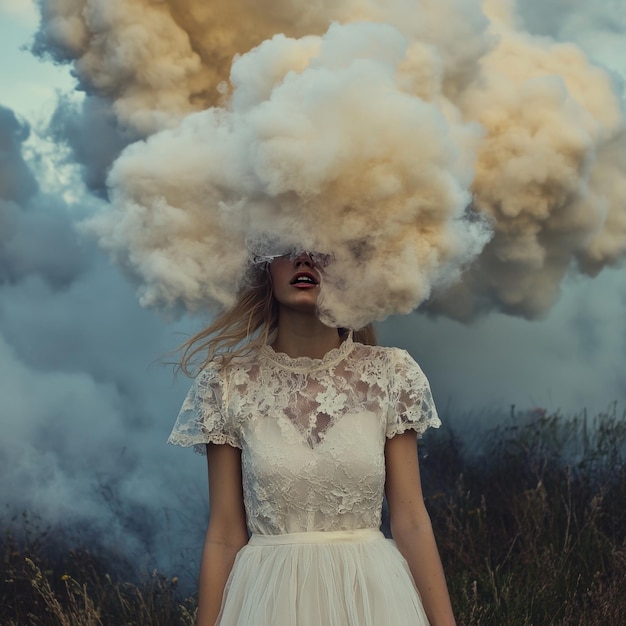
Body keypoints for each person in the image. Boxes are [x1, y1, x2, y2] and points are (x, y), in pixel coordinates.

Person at [168, 250, 456, 626]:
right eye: (284, 246)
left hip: (372, 600)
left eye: (322, 248)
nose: (304, 260)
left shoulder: (391, 372)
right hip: (267, 602)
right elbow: (224, 533)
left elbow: (411, 520)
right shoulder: (226, 382)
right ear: (263, 266)